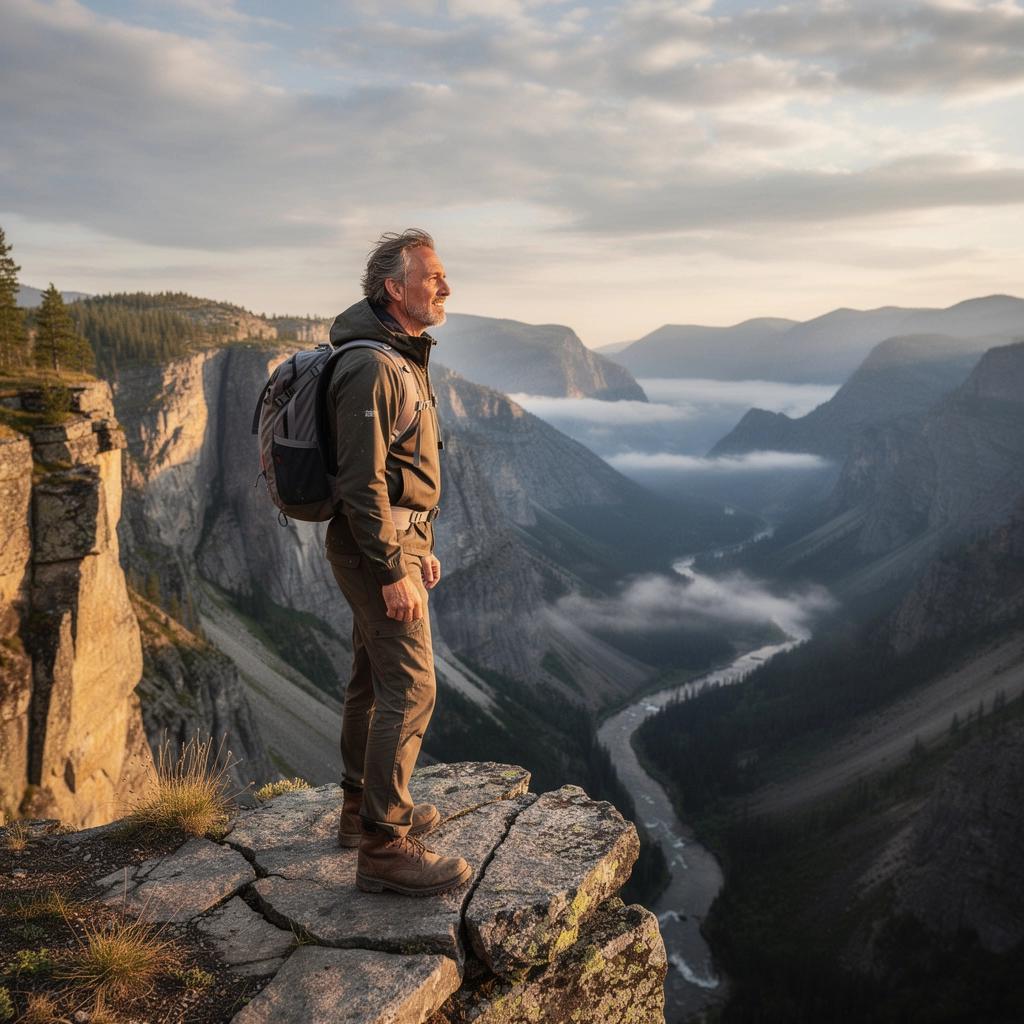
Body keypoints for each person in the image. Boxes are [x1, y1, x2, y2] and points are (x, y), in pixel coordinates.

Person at [325, 228, 471, 896]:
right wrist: (392, 569)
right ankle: (384, 846)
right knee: (411, 687)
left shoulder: (397, 357)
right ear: (394, 287)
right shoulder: (375, 366)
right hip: (375, 548)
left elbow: (399, 474)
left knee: (370, 677)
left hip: (394, 540)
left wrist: (420, 545)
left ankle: (360, 810)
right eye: (433, 277)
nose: (446, 288)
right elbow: (361, 484)